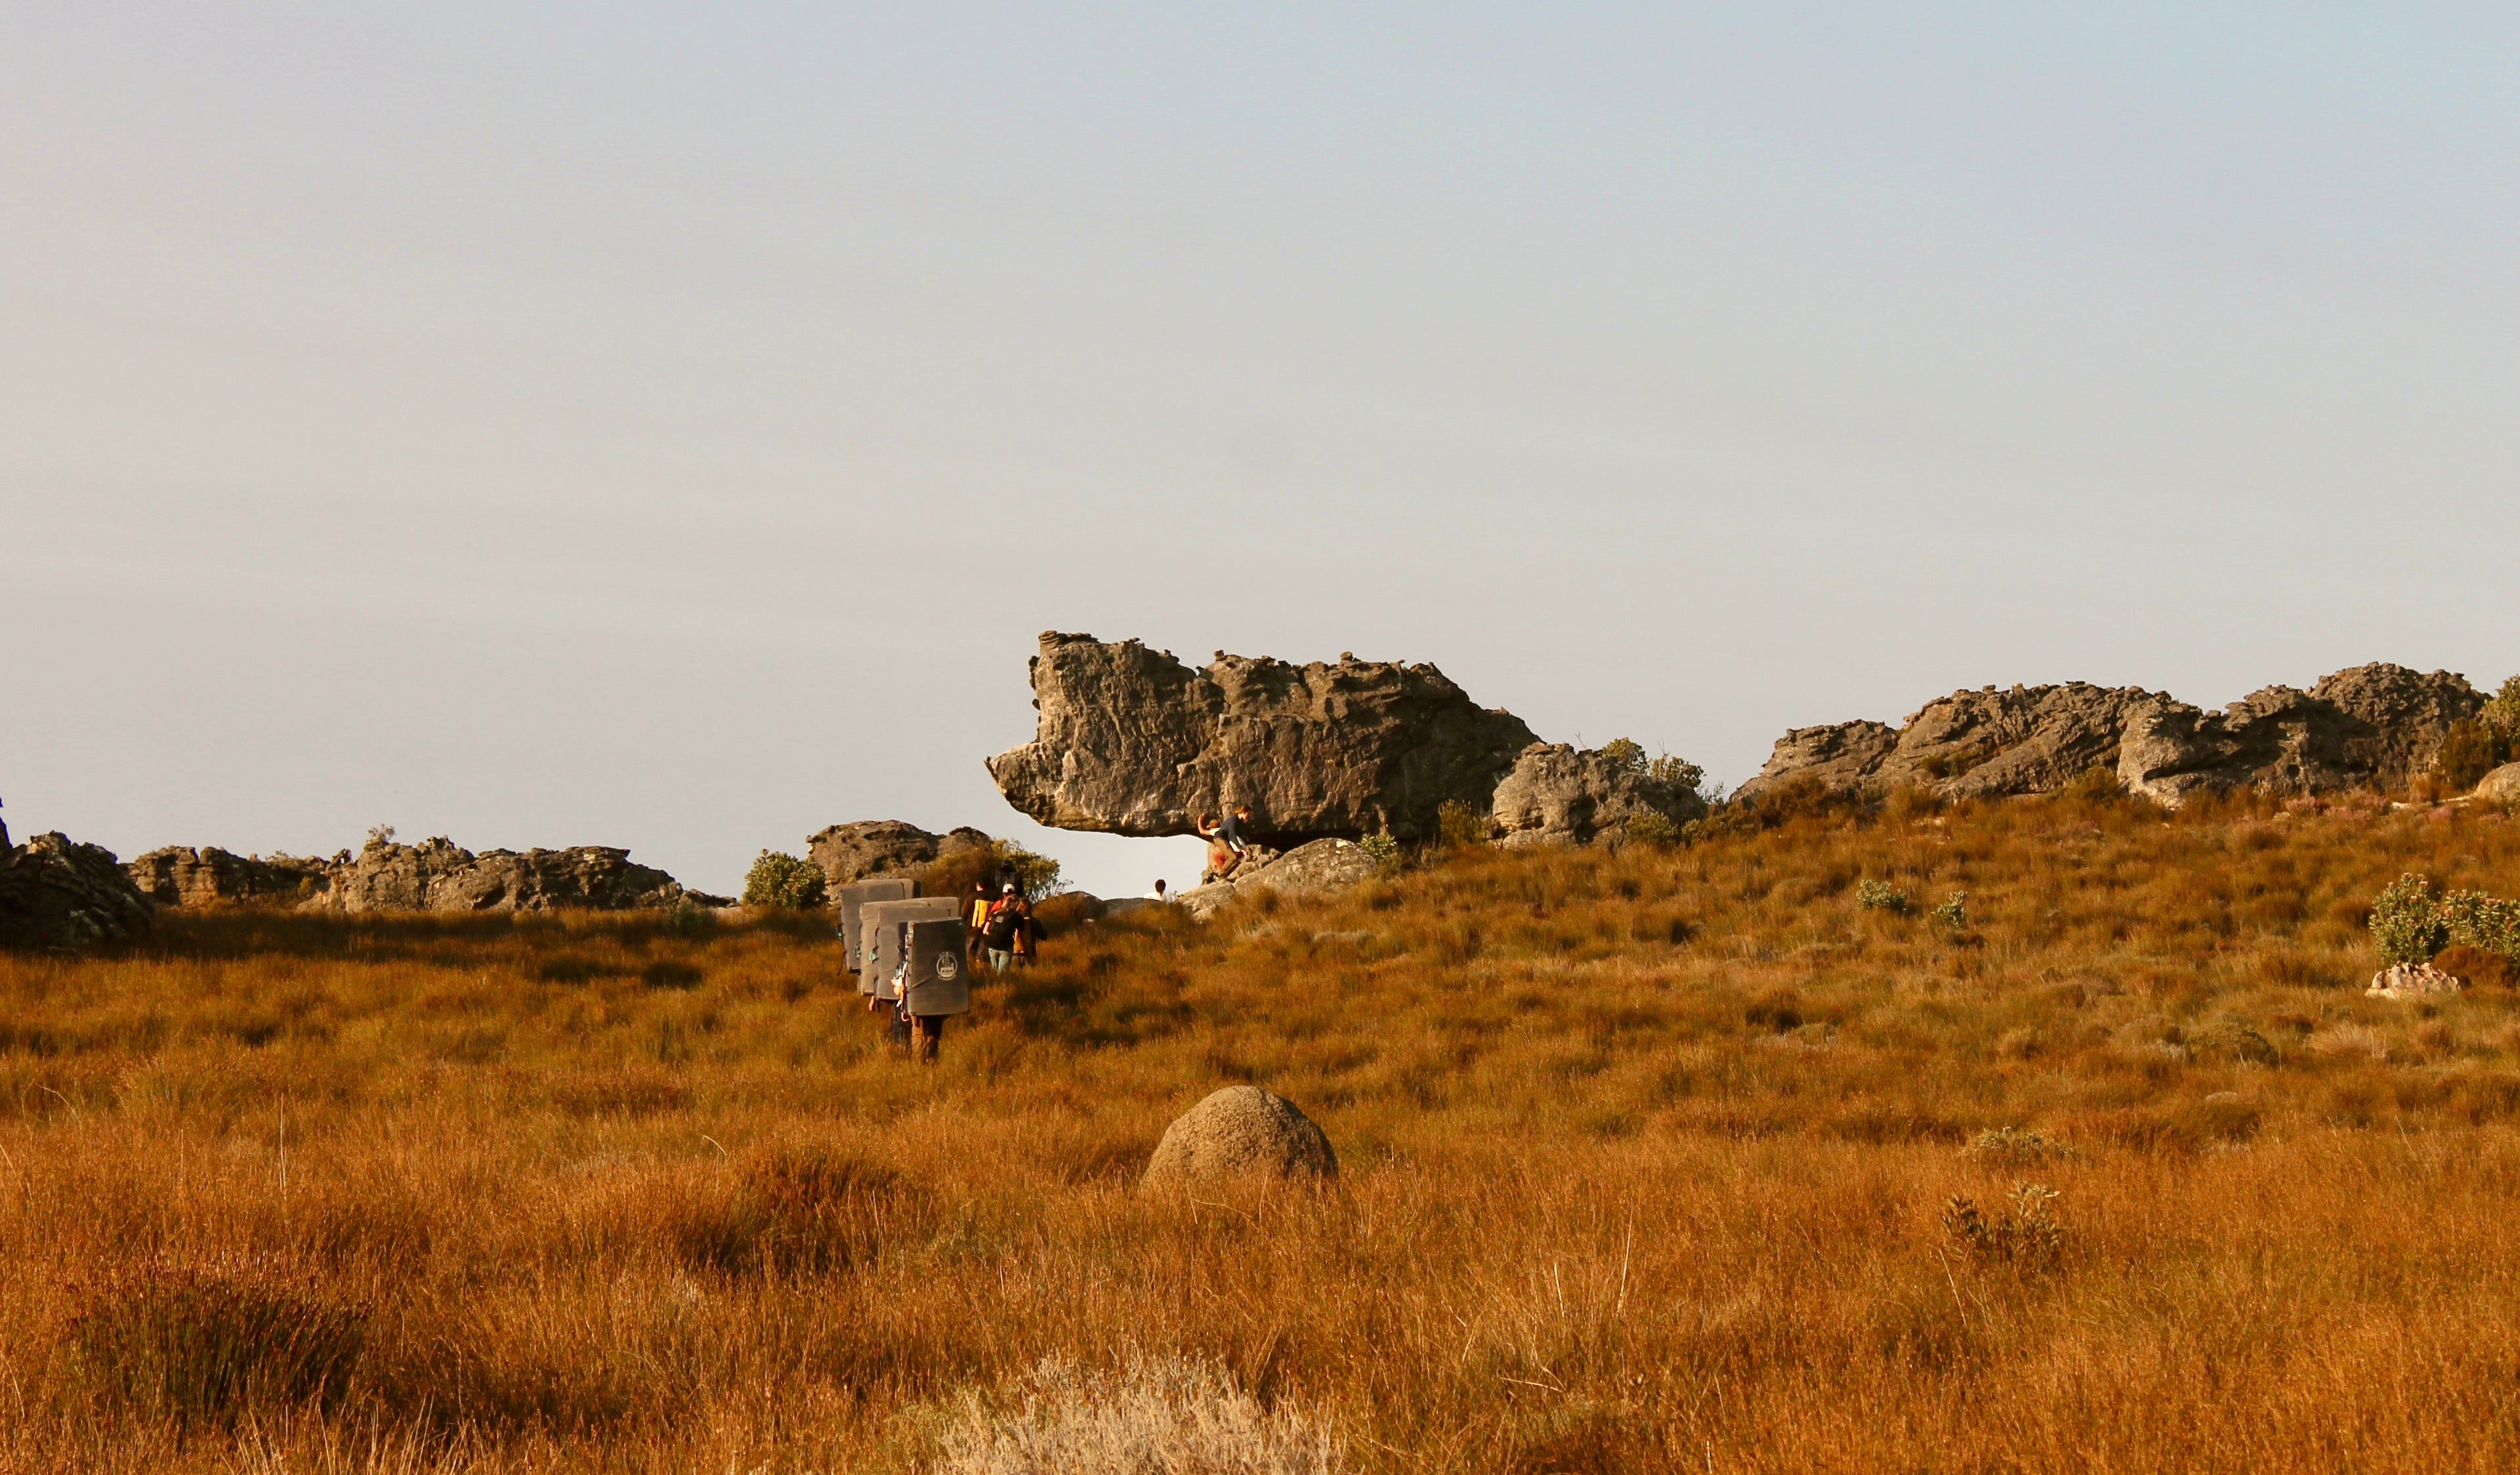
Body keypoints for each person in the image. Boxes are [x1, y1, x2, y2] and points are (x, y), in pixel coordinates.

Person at [980, 883, 1022, 972]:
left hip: (991, 944)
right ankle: (1001, 985)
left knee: (995, 974)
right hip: (1004, 946)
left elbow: (985, 929)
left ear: (1003, 894)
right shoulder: (1015, 915)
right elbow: (1022, 930)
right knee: (1003, 976)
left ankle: (994, 985)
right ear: (1016, 903)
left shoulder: (996, 910)